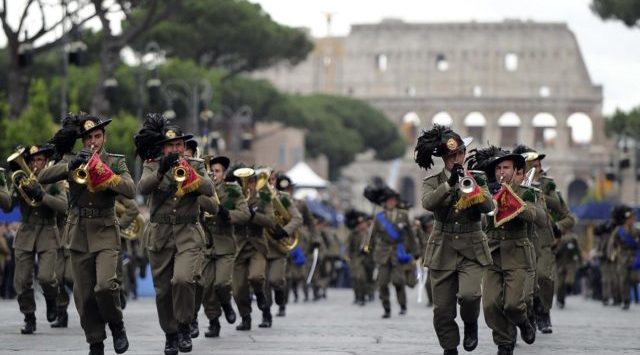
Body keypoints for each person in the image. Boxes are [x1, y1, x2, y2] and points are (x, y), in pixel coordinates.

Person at [39, 113, 134, 355]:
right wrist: (70, 165)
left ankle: (117, 324)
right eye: (89, 137)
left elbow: (131, 189)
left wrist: (105, 173)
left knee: (105, 286)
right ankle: (95, 341)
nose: (94, 141)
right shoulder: (72, 159)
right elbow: (42, 177)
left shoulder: (115, 162)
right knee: (84, 296)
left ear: (104, 137)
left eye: (98, 136)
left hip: (105, 231)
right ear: (82, 140)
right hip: (79, 232)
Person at [135, 114, 214, 355]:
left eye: (179, 144)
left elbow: (209, 189)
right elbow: (142, 188)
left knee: (183, 280)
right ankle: (170, 335)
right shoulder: (152, 164)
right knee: (163, 291)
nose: (175, 148)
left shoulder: (196, 164)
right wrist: (160, 171)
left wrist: (189, 172)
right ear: (163, 148)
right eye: (170, 145)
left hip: (188, 232)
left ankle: (183, 326)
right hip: (160, 234)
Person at [415, 125, 493, 355]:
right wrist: (449, 185)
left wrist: (472, 188)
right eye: (451, 156)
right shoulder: (433, 180)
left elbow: (489, 207)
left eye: (459, 153)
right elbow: (428, 203)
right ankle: (450, 348)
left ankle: (470, 324)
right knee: (442, 310)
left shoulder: (477, 178)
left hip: (471, 246)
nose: (456, 158)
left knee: (470, 295)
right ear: (444, 159)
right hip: (443, 247)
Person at [468, 145, 539, 355]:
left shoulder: (527, 192)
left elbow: (538, 218)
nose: (501, 172)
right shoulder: (488, 191)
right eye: (498, 168)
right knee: (490, 305)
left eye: (506, 168)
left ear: (516, 170)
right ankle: (504, 343)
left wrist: (513, 201)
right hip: (493, 253)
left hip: (517, 255)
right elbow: (481, 223)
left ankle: (524, 323)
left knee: (513, 305)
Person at [513, 145, 575, 333]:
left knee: (544, 277)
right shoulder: (513, 182)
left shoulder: (548, 186)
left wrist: (557, 226)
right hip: (521, 238)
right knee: (526, 282)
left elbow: (568, 217)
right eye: (532, 164)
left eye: (539, 164)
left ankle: (544, 312)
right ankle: (530, 313)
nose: (537, 168)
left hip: (544, 238)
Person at [8, 144, 67, 334]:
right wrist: (11, 188)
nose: (35, 164)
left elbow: (63, 206)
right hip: (26, 233)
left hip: (48, 233)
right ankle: (29, 317)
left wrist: (41, 194)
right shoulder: (22, 178)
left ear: (46, 161)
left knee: (46, 278)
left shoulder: (55, 180)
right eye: (31, 160)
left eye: (39, 160)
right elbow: (8, 206)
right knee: (22, 281)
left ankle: (52, 300)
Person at [196, 155, 250, 338]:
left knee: (222, 283)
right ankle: (213, 321)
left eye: (217, 171)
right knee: (205, 287)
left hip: (225, 244)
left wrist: (227, 214)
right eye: (210, 171)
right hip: (206, 244)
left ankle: (226, 304)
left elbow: (245, 215)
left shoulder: (233, 190)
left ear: (224, 173)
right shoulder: (202, 190)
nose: (214, 174)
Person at [232, 164, 275, 331]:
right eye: (244, 182)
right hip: (240, 246)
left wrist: (254, 215)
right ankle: (245, 317)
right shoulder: (232, 197)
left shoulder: (263, 198)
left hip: (257, 244)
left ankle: (265, 310)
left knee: (257, 277)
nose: (247, 185)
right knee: (238, 289)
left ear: (255, 182)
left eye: (250, 181)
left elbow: (271, 221)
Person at [368, 185, 417, 319]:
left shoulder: (403, 215)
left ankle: (402, 305)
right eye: (388, 201)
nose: (391, 203)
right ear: (385, 202)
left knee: (398, 281)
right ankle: (387, 307)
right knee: (382, 283)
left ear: (396, 202)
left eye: (393, 200)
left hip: (397, 252)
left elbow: (411, 234)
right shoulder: (379, 217)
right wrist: (368, 248)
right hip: (382, 252)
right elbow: (372, 235)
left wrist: (415, 250)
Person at [260, 173, 302, 325]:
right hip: (261, 246)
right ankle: (266, 314)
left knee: (275, 279)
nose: (269, 184)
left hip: (278, 248)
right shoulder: (256, 197)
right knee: (263, 283)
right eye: (265, 180)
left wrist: (284, 231)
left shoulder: (283, 197)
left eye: (271, 180)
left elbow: (297, 218)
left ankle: (280, 290)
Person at [607, 205, 640, 310]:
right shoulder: (619, 230)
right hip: (622, 257)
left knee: (634, 279)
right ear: (626, 220)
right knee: (623, 280)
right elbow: (612, 243)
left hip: (634, 257)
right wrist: (612, 254)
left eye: (632, 218)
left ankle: (630, 298)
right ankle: (626, 301)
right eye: (629, 219)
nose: (631, 220)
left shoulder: (637, 230)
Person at [345, 209, 371, 305]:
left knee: (367, 278)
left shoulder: (370, 234)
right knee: (358, 278)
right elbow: (348, 246)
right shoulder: (354, 233)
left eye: (363, 223)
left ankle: (367, 293)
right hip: (356, 259)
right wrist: (348, 256)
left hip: (368, 259)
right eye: (360, 224)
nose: (362, 225)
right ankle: (359, 297)